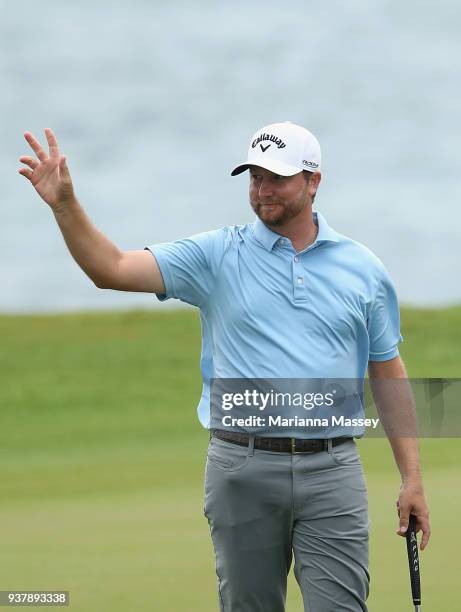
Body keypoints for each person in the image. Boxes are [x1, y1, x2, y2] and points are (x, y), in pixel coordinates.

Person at [19, 122, 431, 612]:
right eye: (254, 177)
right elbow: (110, 268)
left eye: (276, 178)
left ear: (313, 180)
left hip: (333, 470)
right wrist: (65, 206)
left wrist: (412, 478)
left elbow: (386, 370)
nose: (262, 190)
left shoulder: (363, 268)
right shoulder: (216, 254)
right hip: (243, 469)